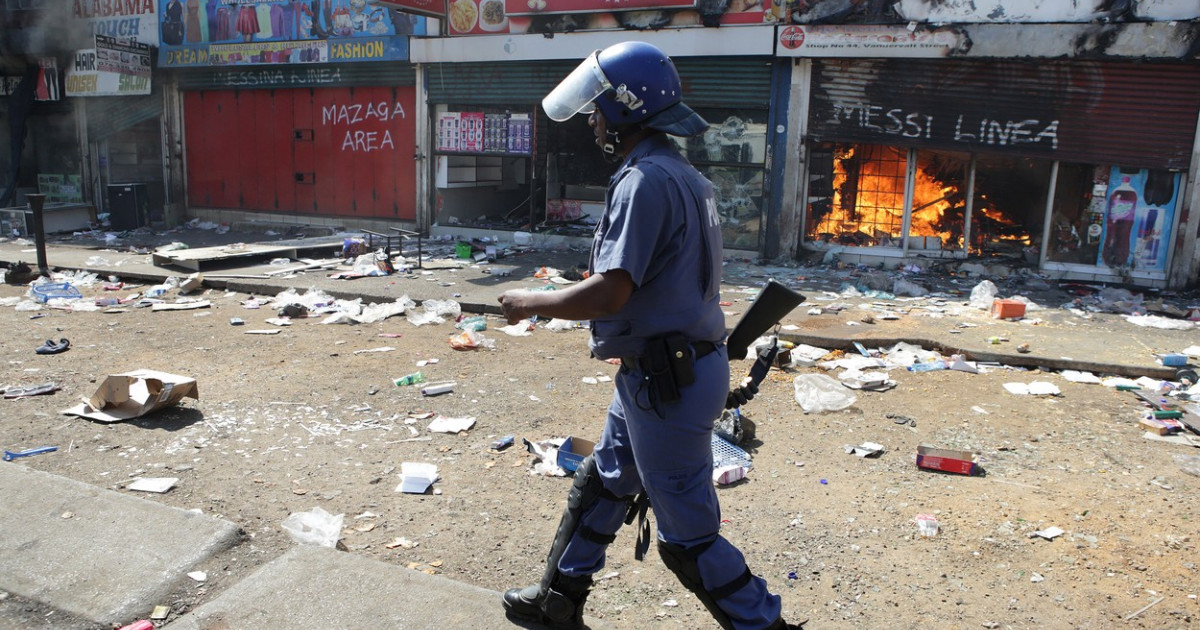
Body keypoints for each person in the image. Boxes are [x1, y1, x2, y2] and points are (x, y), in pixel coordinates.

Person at [498, 41, 802, 630]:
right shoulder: (683, 175)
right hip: (660, 373)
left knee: (687, 538)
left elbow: (613, 291)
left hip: (668, 381)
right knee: (604, 481)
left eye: (597, 106)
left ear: (626, 108)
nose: (590, 118)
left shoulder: (643, 180)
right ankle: (557, 600)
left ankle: (765, 625)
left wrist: (531, 302)